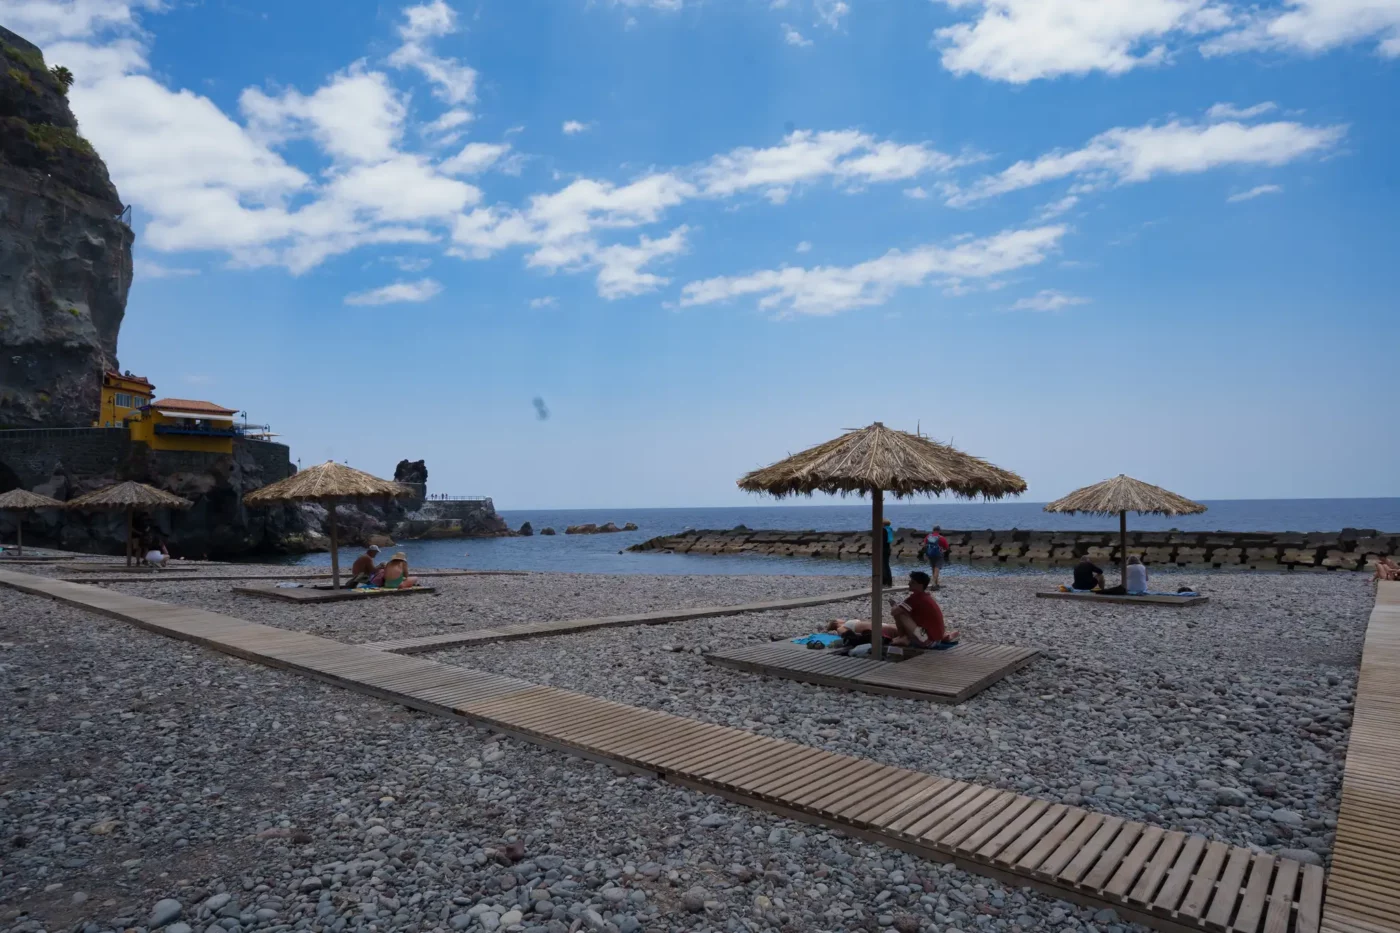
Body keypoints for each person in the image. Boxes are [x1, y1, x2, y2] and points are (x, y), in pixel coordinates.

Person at [827, 571, 958, 649]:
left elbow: (896, 612)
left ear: (920, 585)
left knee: (899, 613)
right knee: (897, 616)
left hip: (927, 640)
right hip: (933, 637)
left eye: (912, 582)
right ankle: (904, 636)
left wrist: (895, 607)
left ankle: (902, 637)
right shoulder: (925, 597)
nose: (909, 583)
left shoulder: (916, 598)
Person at [921, 525, 950, 590]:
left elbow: (924, 544)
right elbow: (947, 547)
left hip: (930, 554)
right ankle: (934, 584)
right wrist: (943, 551)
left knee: (933, 568)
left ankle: (936, 583)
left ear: (933, 530)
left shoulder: (928, 536)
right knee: (937, 569)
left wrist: (926, 552)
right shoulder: (941, 538)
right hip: (938, 555)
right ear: (939, 531)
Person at [881, 519, 894, 586]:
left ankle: (886, 581)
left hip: (883, 549)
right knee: (886, 565)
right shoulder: (890, 529)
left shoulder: (883, 530)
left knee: (884, 566)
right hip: (888, 548)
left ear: (883, 524)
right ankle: (888, 581)